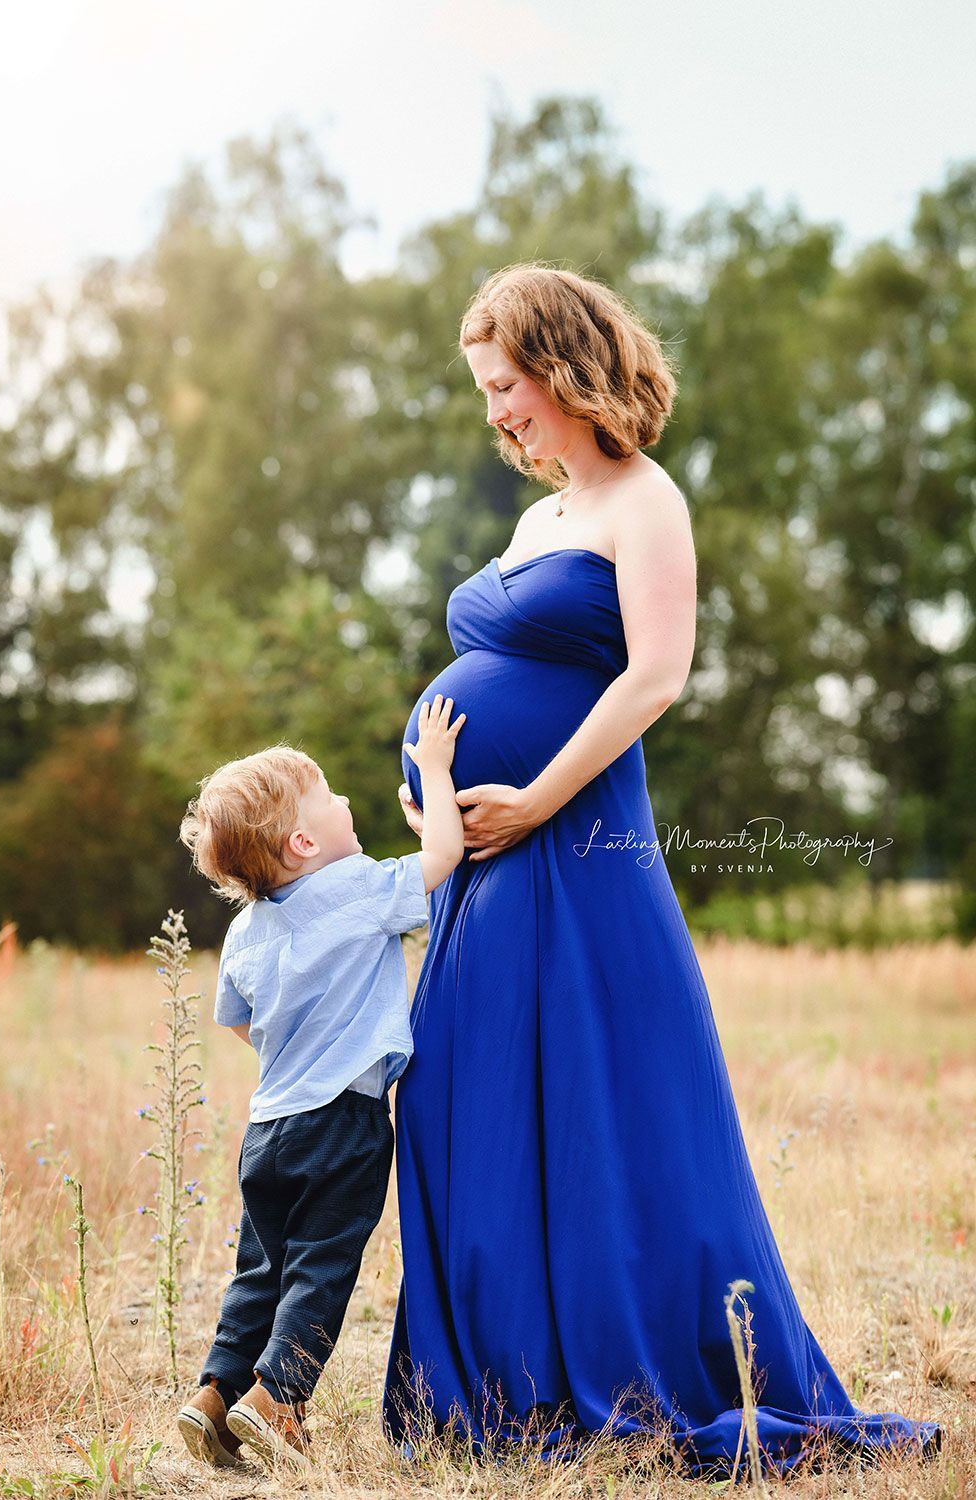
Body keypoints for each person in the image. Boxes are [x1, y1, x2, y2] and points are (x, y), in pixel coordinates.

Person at [382, 264, 941, 1480]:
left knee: (598, 1107)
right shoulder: (540, 519)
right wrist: (428, 782)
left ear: (562, 366)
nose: (494, 411)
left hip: (574, 849)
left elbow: (655, 676)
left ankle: (624, 1368)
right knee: (463, 1094)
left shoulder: (646, 501)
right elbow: (491, 676)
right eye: (483, 390)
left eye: (504, 384)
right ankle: (504, 1376)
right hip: (483, 867)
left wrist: (534, 798)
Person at [174, 696, 466, 1470]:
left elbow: (237, 1020)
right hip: (344, 1120)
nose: (345, 802)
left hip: (269, 1126)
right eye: (331, 796)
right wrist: (436, 771)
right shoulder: (358, 888)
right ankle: (278, 1398)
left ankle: (214, 1396)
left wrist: (297, 1048)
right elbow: (445, 854)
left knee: (261, 1269)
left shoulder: (244, 930)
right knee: (321, 1267)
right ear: (304, 842)